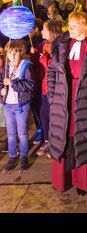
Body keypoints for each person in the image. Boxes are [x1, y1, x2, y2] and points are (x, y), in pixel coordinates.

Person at [47, 12, 87, 195]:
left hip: (84, 100)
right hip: (62, 98)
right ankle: (63, 180)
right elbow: (52, 71)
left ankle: (83, 182)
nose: (69, 28)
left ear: (83, 26)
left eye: (73, 25)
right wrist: (52, 94)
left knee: (82, 137)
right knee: (63, 137)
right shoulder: (62, 45)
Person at [0, 40, 35, 173]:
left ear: (21, 52)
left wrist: (13, 83)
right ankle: (12, 156)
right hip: (8, 105)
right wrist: (1, 91)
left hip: (21, 105)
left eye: (15, 53)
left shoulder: (26, 66)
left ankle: (24, 157)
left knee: (22, 133)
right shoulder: (7, 67)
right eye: (10, 53)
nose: (12, 56)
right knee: (11, 134)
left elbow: (29, 85)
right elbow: (0, 82)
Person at [36, 19, 63, 158]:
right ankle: (47, 141)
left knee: (54, 118)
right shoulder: (44, 44)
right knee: (44, 116)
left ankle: (54, 143)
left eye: (44, 29)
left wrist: (44, 61)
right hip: (44, 87)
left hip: (54, 88)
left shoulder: (58, 47)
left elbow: (55, 69)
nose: (41, 31)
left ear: (51, 31)